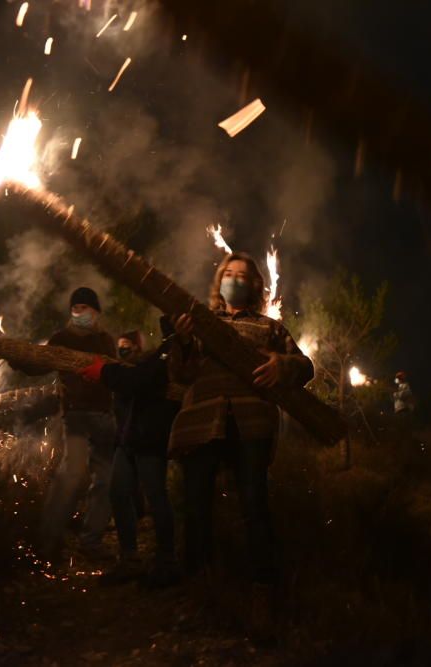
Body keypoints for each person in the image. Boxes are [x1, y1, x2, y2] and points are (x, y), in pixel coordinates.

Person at [170, 251, 314, 637]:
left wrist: (283, 366)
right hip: (202, 421)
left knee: (254, 506)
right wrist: (182, 342)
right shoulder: (200, 324)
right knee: (196, 506)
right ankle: (199, 594)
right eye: (229, 273)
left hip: (250, 423)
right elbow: (181, 374)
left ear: (254, 286)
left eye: (244, 276)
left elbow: (306, 367)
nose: (236, 279)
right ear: (219, 282)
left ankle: (261, 596)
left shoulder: (270, 329)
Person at [13, 287, 117, 562]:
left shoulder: (106, 341)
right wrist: (16, 357)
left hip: (105, 418)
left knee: (106, 480)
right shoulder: (61, 339)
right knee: (70, 475)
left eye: (85, 308)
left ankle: (91, 540)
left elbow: (115, 375)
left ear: (96, 312)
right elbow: (39, 364)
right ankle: (48, 542)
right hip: (76, 417)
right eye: (76, 308)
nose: (79, 312)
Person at [78, 319, 184, 588]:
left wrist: (105, 372)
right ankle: (130, 559)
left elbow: (139, 381)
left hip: (150, 441)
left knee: (156, 497)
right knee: (118, 491)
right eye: (120, 348)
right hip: (128, 442)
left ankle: (166, 561)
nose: (123, 351)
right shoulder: (144, 362)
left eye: (128, 347)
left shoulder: (165, 355)